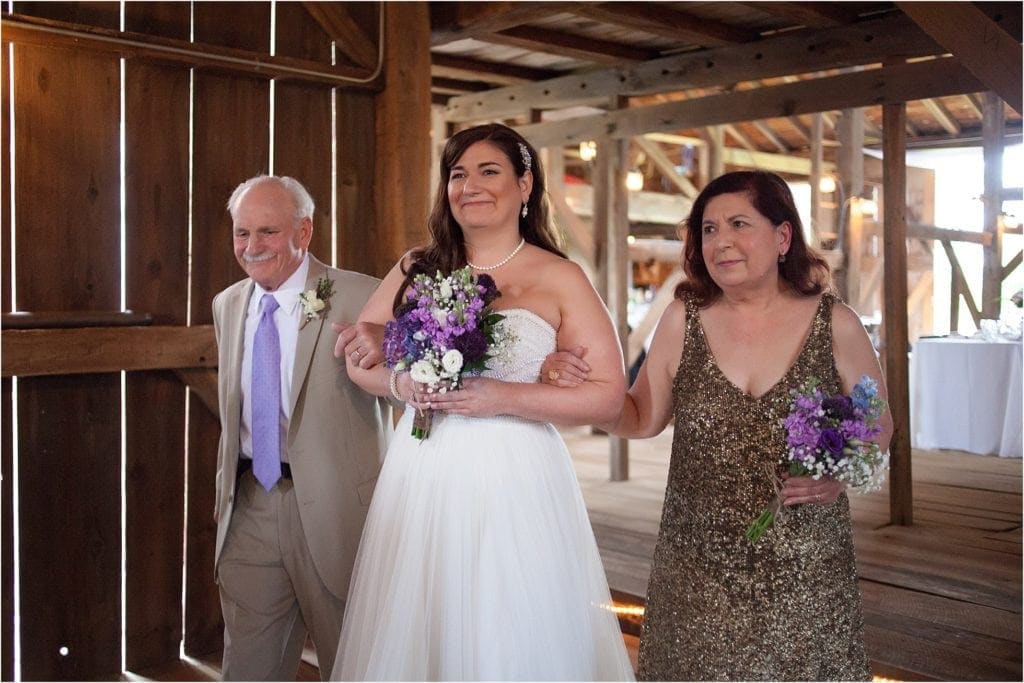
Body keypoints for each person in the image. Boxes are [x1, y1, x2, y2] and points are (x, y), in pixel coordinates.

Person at [541, 170, 893, 680]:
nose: (720, 241)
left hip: (805, 572)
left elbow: (878, 424)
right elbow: (639, 417)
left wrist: (838, 476)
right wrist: (578, 389)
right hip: (695, 570)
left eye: (738, 224)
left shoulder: (834, 322)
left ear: (782, 237)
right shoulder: (684, 318)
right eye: (708, 229)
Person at [330, 123, 635, 681]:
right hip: (424, 467)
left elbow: (609, 395)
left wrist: (508, 394)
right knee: (422, 617)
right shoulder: (418, 267)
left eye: (488, 171)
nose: (469, 185)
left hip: (516, 475)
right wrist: (402, 385)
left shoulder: (560, 276)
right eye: (457, 174)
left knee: (510, 621)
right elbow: (359, 356)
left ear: (525, 185)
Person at [212, 175, 392, 680]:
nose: (252, 247)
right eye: (241, 233)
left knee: (354, 662)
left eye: (267, 231)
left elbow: (409, 388)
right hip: (250, 503)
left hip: (338, 511)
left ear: (304, 232)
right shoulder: (227, 304)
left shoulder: (364, 296)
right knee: (248, 665)